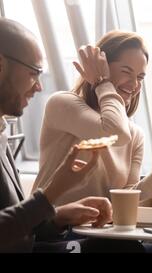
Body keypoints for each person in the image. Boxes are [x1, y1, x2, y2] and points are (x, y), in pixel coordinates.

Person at [0, 17, 110, 252]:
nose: (39, 86)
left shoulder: (2, 131)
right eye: (33, 72)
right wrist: (52, 193)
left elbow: (15, 226)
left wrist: (59, 216)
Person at [32, 30, 152, 205]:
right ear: (101, 67)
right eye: (126, 71)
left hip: (98, 230)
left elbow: (127, 201)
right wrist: (102, 82)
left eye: (140, 77)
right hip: (53, 229)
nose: (134, 84)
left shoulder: (135, 134)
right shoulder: (62, 104)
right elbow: (115, 133)